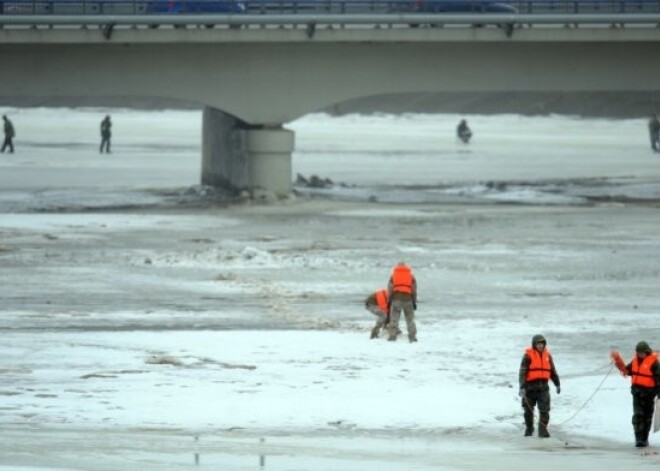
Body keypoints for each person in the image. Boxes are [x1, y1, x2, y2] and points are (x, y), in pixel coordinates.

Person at [518, 334, 561, 438]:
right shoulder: (527, 356)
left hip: (543, 389)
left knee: (544, 411)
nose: (540, 345)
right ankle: (529, 428)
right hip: (529, 388)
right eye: (538, 343)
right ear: (534, 344)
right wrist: (522, 387)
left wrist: (557, 384)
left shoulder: (548, 356)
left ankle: (542, 430)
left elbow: (552, 371)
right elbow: (522, 372)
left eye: (542, 343)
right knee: (528, 411)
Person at [621, 341, 660, 448]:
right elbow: (628, 371)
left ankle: (645, 439)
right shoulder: (634, 360)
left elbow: (659, 378)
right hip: (637, 392)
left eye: (642, 353)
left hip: (649, 393)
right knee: (638, 416)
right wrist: (620, 367)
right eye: (638, 352)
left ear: (647, 352)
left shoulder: (654, 363)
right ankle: (638, 439)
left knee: (647, 417)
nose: (640, 354)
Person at [386, 262, 417, 343]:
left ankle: (392, 336)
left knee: (394, 319)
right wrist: (414, 302)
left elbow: (390, 289)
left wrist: (389, 301)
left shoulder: (394, 276)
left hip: (396, 300)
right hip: (408, 300)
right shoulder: (411, 276)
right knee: (410, 319)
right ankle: (412, 337)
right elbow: (414, 290)